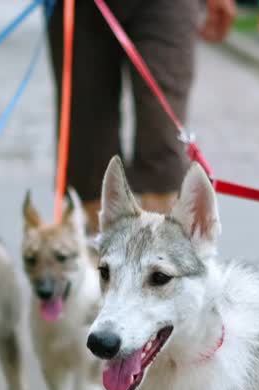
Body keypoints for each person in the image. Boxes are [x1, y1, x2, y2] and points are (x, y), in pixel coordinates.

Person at [46, 0, 237, 234]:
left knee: (162, 139)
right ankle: (105, 259)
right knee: (89, 151)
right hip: (80, 7)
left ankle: (161, 258)